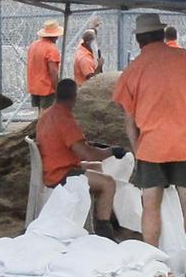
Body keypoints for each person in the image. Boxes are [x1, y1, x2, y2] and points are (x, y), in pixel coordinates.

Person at [113, 13, 186, 277]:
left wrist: (138, 151)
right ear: (161, 34)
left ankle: (153, 266)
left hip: (152, 147)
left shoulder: (133, 69)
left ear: (139, 38)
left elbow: (129, 120)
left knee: (150, 208)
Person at [36, 79, 126, 240]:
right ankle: (104, 231)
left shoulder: (48, 114)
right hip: (61, 174)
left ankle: (105, 217)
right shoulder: (65, 120)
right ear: (75, 97)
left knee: (97, 168)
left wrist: (94, 146)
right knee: (108, 183)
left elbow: (72, 145)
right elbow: (87, 154)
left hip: (53, 166)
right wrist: (111, 151)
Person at [27, 20, 62, 115]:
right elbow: (53, 72)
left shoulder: (33, 45)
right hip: (47, 87)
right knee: (46, 114)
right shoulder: (52, 49)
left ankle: (40, 128)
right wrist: (57, 88)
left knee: (40, 112)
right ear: (54, 35)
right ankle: (42, 129)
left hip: (34, 85)